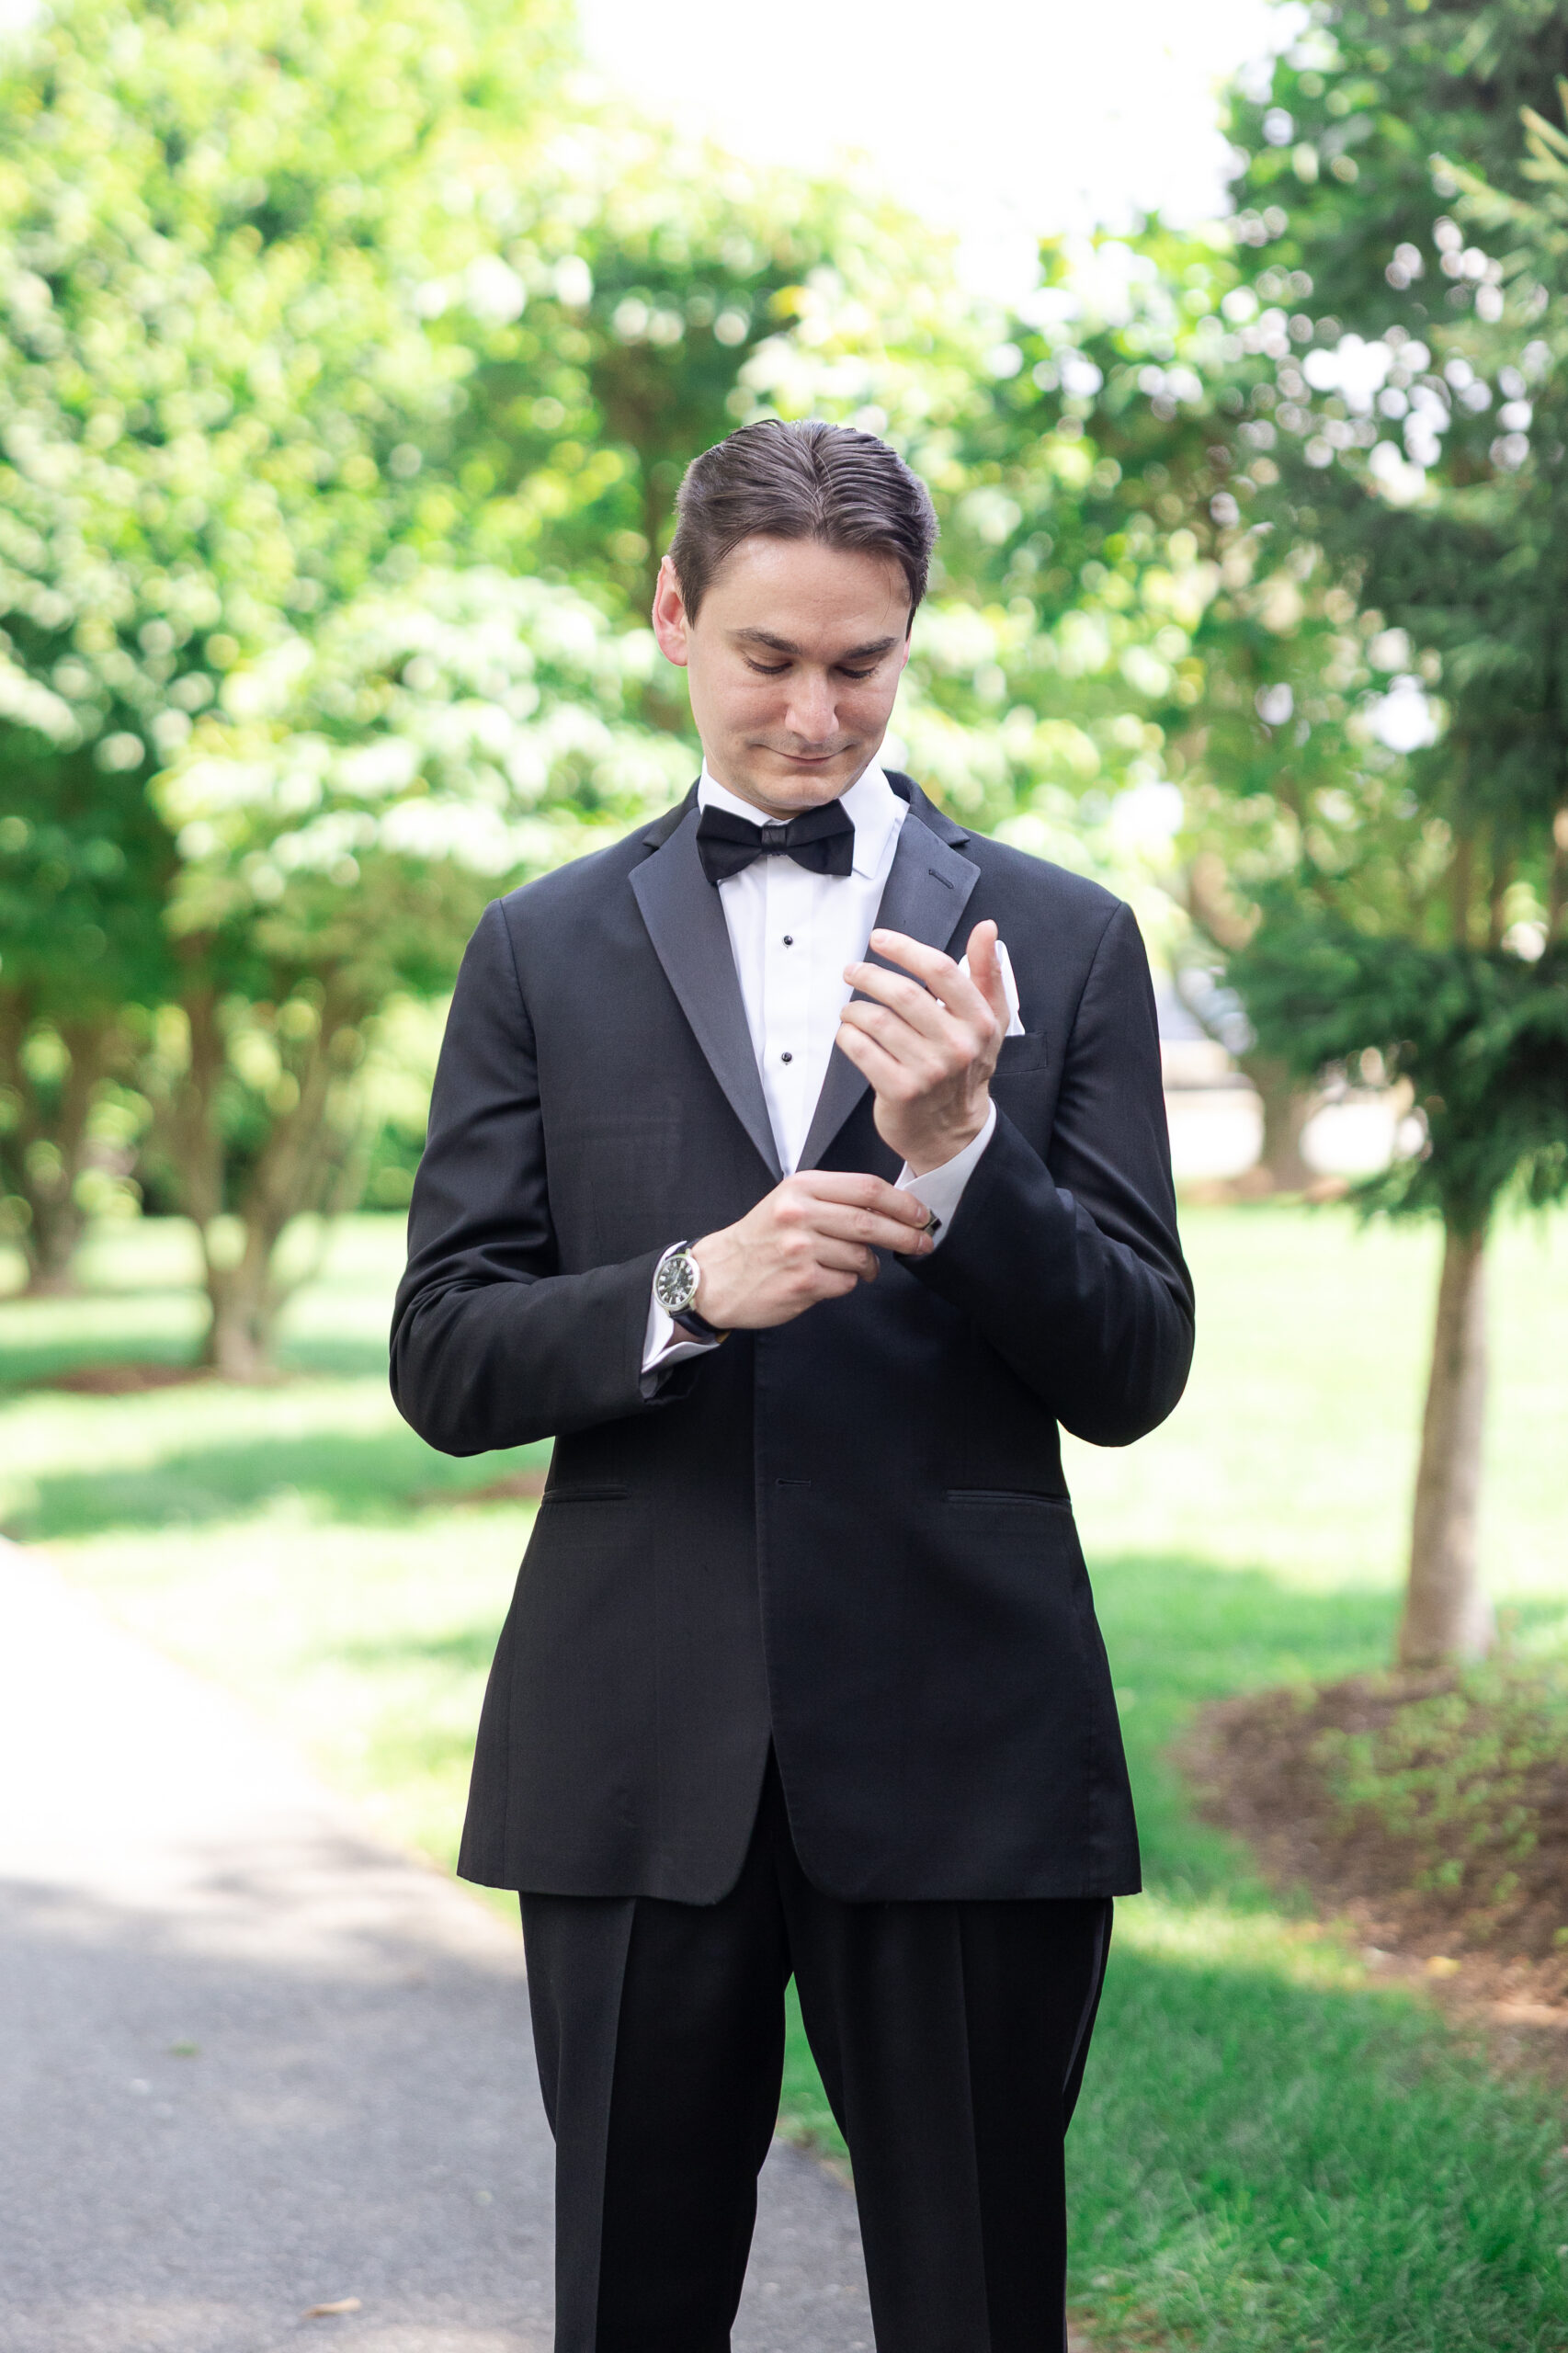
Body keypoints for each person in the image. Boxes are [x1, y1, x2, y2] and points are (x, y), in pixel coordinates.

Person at [391, 417, 1194, 2353]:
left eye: (864, 661)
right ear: (674, 615)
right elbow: (444, 1350)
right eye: (769, 656)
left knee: (978, 2303)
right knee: (630, 2305)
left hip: (966, 1737)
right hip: (634, 1745)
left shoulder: (1066, 942)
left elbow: (1133, 1364)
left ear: (913, 640)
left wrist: (959, 1158)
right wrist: (687, 1284)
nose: (817, 712)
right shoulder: (537, 946)